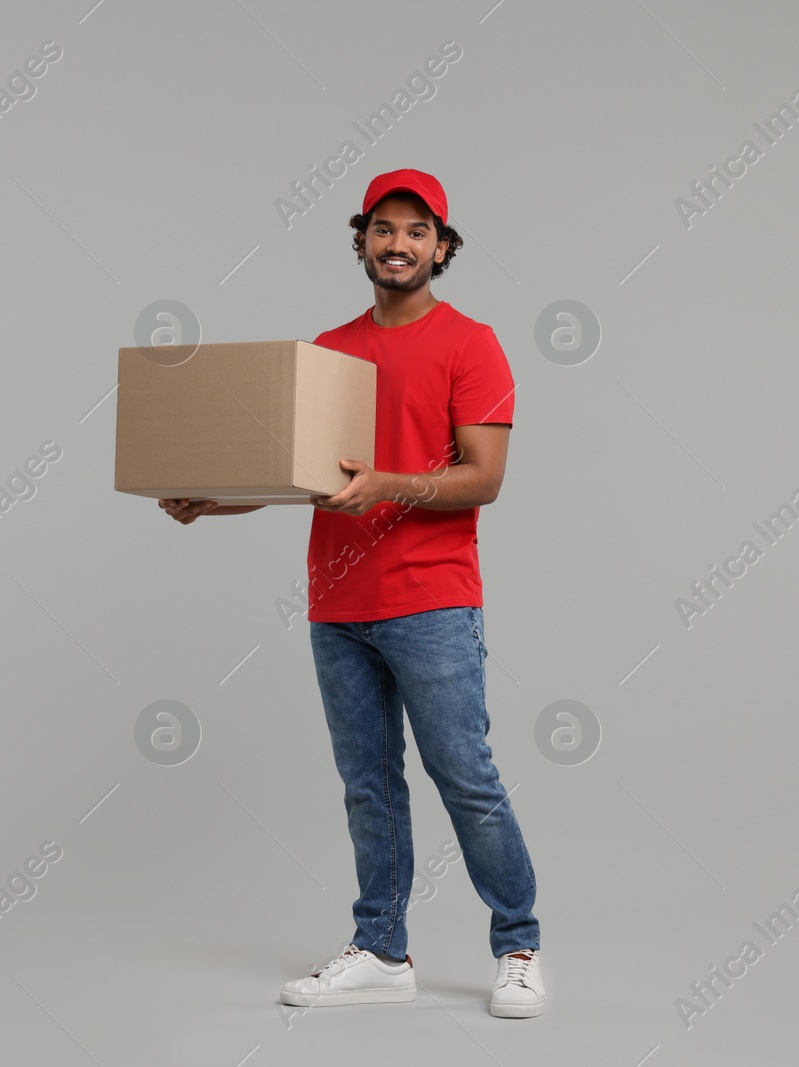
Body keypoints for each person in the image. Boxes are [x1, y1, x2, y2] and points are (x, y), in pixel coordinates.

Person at [158, 169, 543, 1019]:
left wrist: (388, 487)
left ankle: (518, 944)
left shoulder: (472, 343)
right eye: (382, 228)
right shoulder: (330, 349)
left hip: (433, 599)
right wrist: (212, 500)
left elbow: (484, 479)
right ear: (361, 241)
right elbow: (306, 474)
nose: (397, 244)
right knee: (367, 783)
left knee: (464, 776)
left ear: (442, 248)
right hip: (339, 605)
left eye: (416, 231)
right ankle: (382, 947)